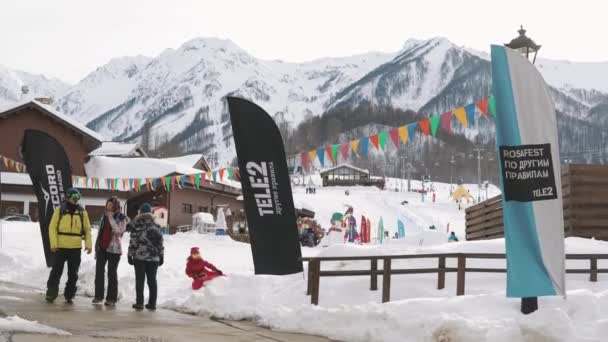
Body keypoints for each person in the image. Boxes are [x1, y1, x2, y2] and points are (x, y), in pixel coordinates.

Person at [46, 188, 92, 303]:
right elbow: (52, 228)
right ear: (68, 197)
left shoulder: (82, 212)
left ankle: (69, 294)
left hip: (75, 248)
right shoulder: (59, 210)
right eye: (74, 198)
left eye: (78, 198)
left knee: (73, 273)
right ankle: (51, 293)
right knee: (56, 271)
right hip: (60, 247)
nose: (76, 200)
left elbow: (87, 229)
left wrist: (88, 244)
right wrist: (53, 244)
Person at [127, 203, 164, 311]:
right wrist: (161, 255)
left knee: (140, 280)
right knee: (152, 280)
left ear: (141, 213)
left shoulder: (137, 225)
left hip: (140, 257)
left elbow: (133, 241)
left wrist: (130, 254)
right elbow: (160, 243)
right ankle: (152, 303)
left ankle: (140, 303)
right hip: (154, 258)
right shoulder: (156, 226)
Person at [93, 197, 128, 306]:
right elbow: (100, 232)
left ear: (115, 206)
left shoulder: (122, 218)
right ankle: (98, 296)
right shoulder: (104, 216)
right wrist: (96, 248)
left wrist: (111, 218)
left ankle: (111, 299)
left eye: (110, 205)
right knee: (99, 272)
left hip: (114, 250)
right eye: (107, 204)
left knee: (111, 274)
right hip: (102, 248)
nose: (108, 207)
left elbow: (119, 231)